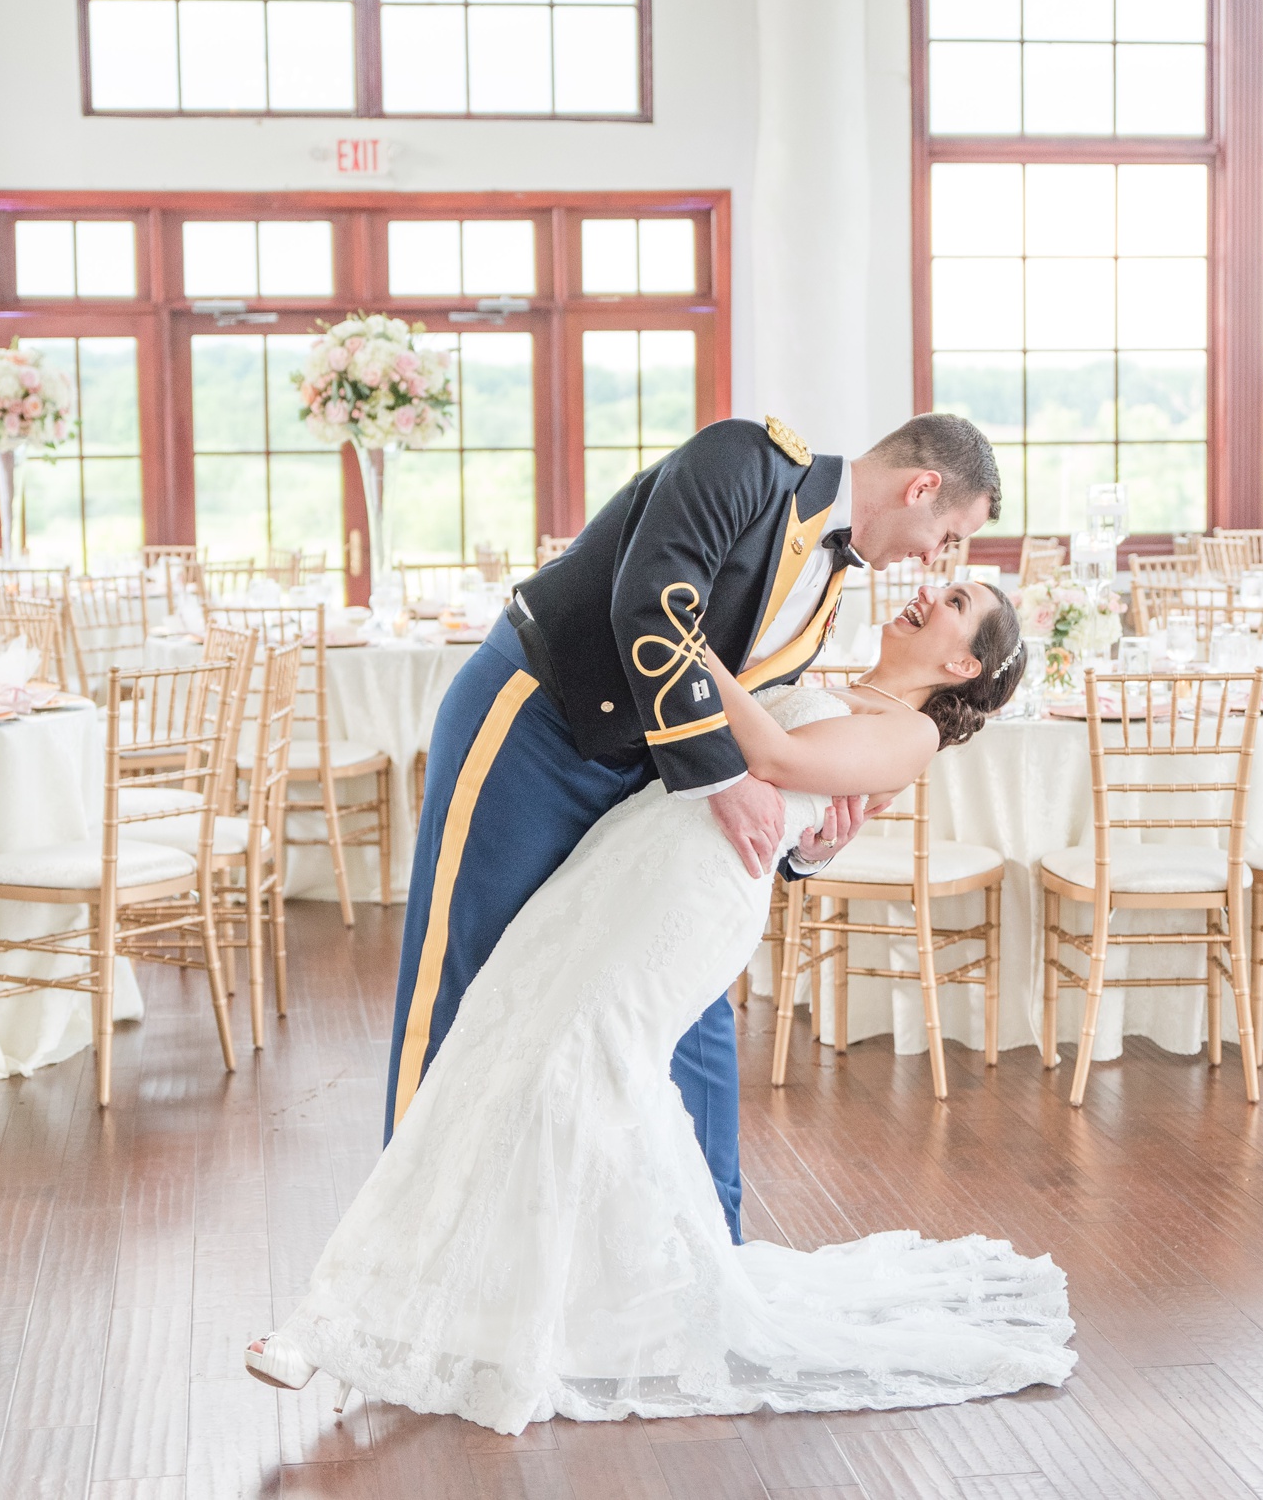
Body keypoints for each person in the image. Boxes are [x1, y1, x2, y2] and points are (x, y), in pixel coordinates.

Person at [246, 577, 1072, 1432]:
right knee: (497, 1034)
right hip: (632, 849)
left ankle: (380, 1320)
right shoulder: (838, 674)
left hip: (696, 894)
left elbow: (779, 764)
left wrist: (681, 638)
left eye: (955, 599)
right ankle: (396, 1304)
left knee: (572, 1071)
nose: (929, 590)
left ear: (962, 660)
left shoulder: (909, 736)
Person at [380, 412, 1001, 1244]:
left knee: (690, 1008)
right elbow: (653, 602)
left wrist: (807, 845)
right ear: (921, 488)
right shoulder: (746, 460)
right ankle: (403, 1249)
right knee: (469, 971)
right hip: (536, 724)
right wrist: (727, 777)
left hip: (648, 785)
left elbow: (767, 725)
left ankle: (712, 1260)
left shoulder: (829, 592)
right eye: (948, 534)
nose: (935, 557)